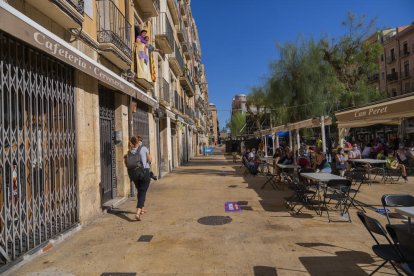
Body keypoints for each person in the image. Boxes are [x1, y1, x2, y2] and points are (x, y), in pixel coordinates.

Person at [125, 136, 152, 221]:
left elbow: (127, 165)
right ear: (138, 142)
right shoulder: (143, 148)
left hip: (134, 174)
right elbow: (150, 159)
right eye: (140, 141)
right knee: (143, 192)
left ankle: (142, 209)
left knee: (140, 191)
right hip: (144, 172)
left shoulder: (129, 152)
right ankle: (138, 211)